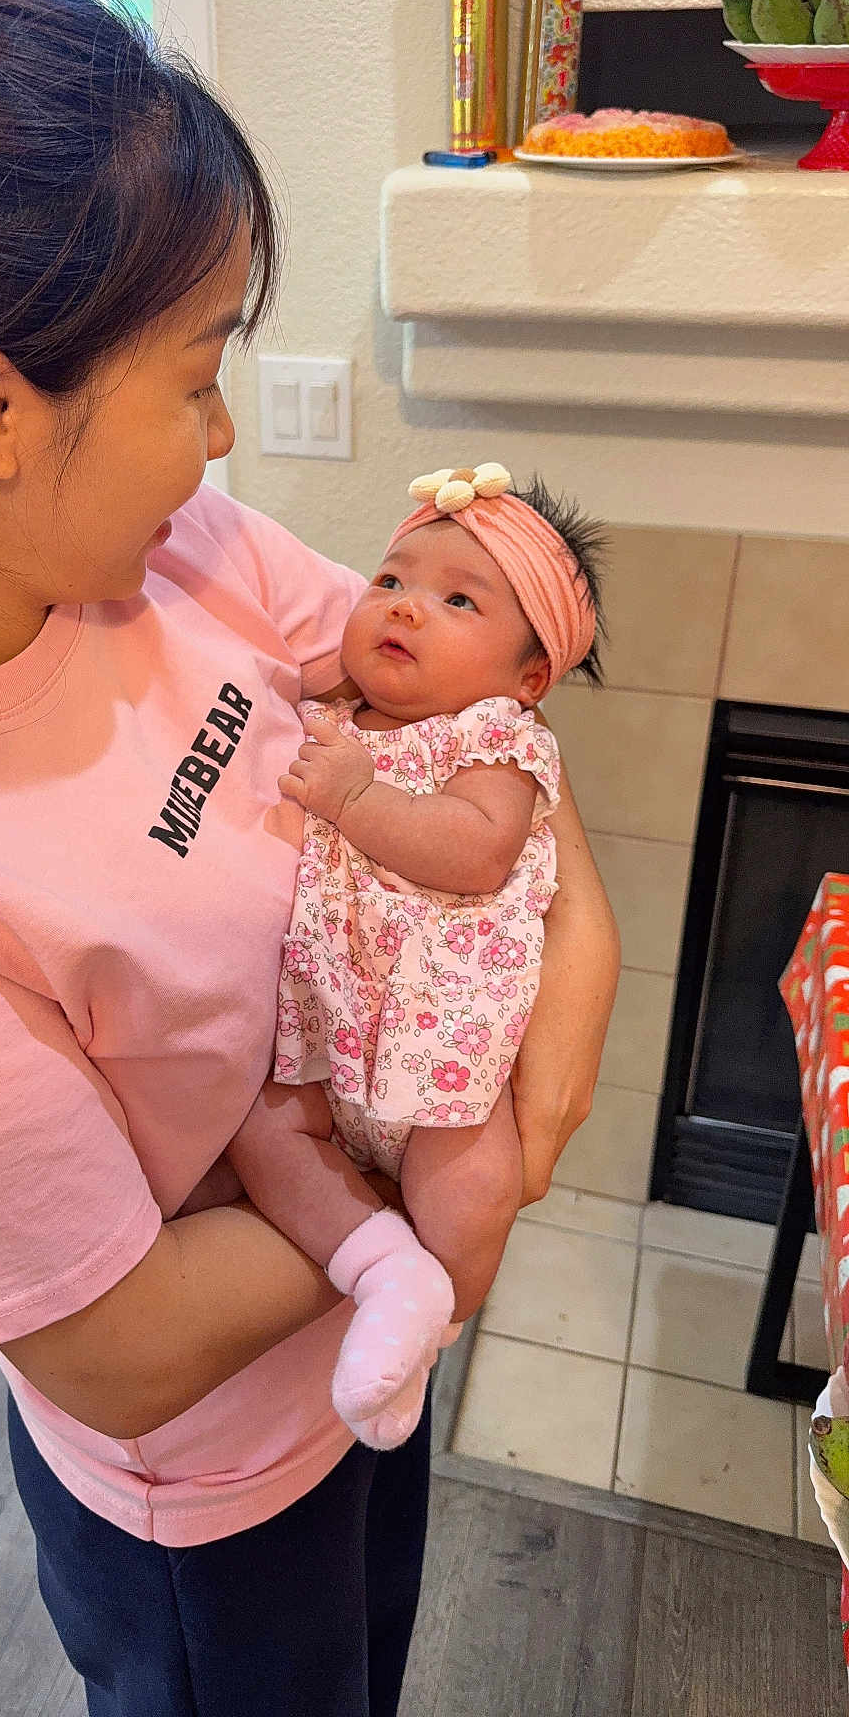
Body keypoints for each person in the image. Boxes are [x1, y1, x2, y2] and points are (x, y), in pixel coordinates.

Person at [0, 0, 619, 1717]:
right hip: (209, 1501)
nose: (224, 436)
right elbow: (125, 1345)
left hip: (352, 1354)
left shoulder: (172, 557)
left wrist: (505, 1035)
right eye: (193, 374)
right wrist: (469, 1145)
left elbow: (474, 736)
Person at [227, 465, 606, 1450]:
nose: (406, 610)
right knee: (267, 1140)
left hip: (444, 1064)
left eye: (459, 600)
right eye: (391, 581)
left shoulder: (495, 738)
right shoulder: (338, 717)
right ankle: (384, 1277)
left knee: (476, 1187)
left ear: (530, 678)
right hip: (326, 1037)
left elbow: (480, 851)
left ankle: (431, 1329)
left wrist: (355, 801)